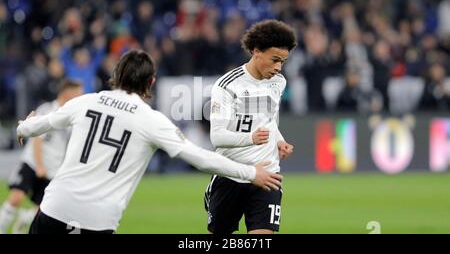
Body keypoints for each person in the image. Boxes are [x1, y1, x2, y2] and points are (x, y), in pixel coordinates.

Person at [16, 50, 283, 234]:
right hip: (97, 219)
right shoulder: (151, 120)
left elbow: (46, 121)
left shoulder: (87, 101)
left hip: (54, 206)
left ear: (116, 74)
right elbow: (200, 157)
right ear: (151, 82)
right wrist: (250, 173)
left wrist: (25, 127)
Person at [205, 20, 296, 234]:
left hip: (267, 176)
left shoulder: (278, 82)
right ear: (256, 51)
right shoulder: (227, 85)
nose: (278, 68)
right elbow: (217, 137)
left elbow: (269, 120)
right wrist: (251, 139)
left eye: (282, 62)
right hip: (230, 176)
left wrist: (279, 140)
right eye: (274, 60)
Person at [0, 80, 84, 234]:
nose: (80, 96)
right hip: (32, 163)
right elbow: (37, 139)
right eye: (78, 92)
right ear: (67, 92)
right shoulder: (47, 109)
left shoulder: (73, 115)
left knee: (43, 209)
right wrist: (39, 165)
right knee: (16, 198)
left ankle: (25, 219)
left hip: (53, 169)